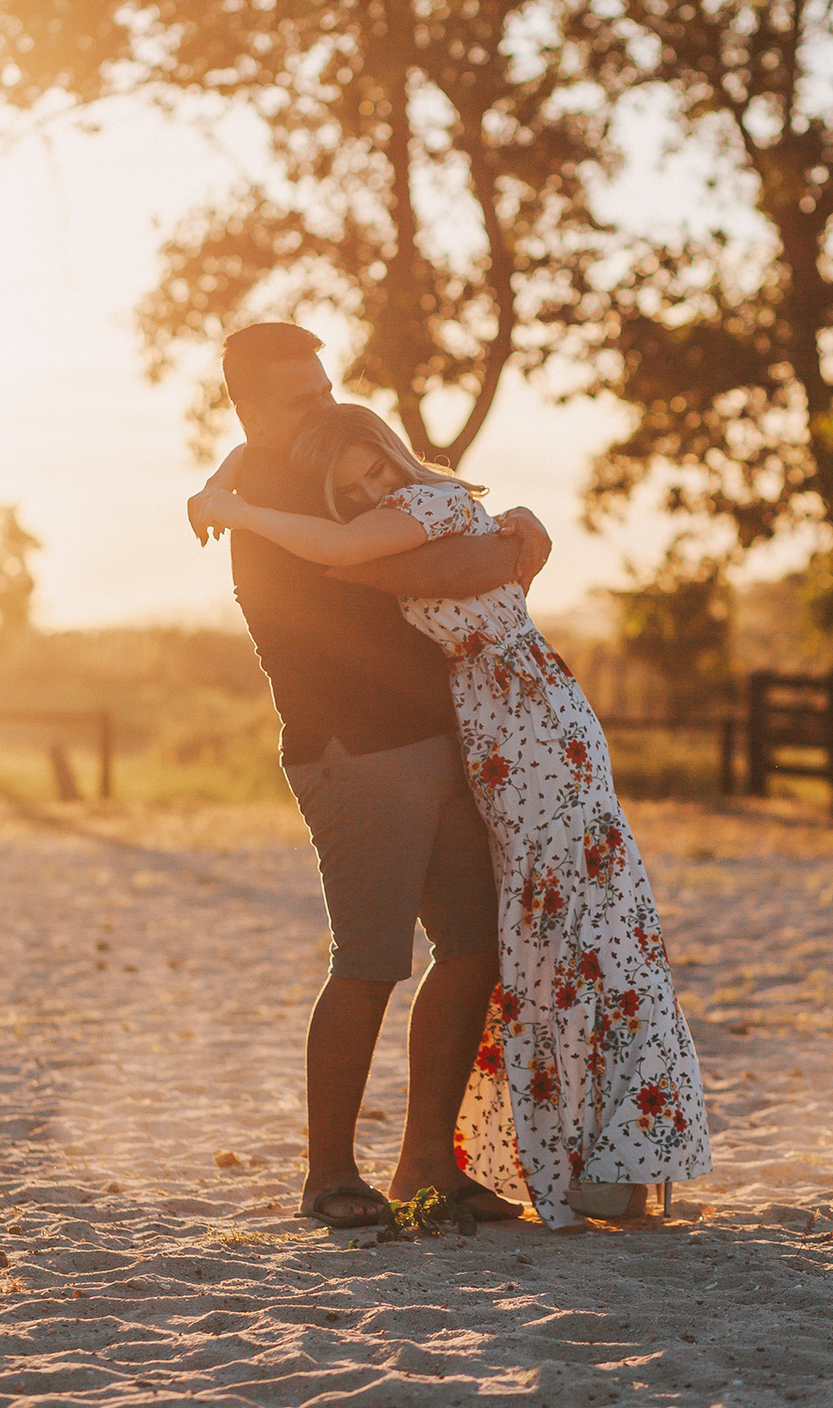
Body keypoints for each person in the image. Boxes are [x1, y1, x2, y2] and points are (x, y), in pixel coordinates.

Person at [197, 397, 713, 1231]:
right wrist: (224, 494)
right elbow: (415, 561)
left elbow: (439, 568)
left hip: (492, 735)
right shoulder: (314, 516)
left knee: (502, 939)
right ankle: (337, 1171)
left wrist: (511, 535)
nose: (366, 485)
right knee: (395, 954)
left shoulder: (403, 506)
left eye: (372, 463)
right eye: (350, 480)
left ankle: (452, 1158)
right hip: (405, 746)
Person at [188, 322, 552, 1230]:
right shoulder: (280, 510)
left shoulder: (295, 478)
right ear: (252, 409)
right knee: (371, 960)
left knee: (475, 945)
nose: (327, 406)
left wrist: (219, 477)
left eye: (325, 387)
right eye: (300, 398)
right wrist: (508, 543)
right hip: (355, 753)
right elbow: (445, 564)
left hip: (438, 740)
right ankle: (328, 1176)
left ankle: (428, 1162)